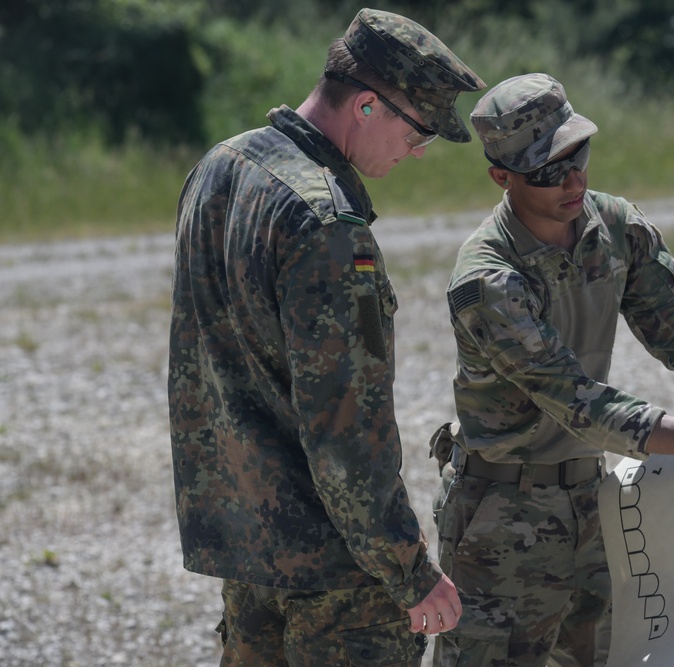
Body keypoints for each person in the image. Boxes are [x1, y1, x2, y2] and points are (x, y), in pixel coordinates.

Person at [429, 73, 674, 667]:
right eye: (548, 171)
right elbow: (580, 403)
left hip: (591, 503)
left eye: (577, 155)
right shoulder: (488, 279)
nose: (573, 180)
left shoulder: (613, 226)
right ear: (501, 178)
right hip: (500, 525)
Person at [167, 9, 485, 666]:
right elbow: (347, 432)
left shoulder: (217, 167)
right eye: (418, 131)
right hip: (335, 575)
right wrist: (409, 570)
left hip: (246, 545)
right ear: (367, 105)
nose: (416, 153)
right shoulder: (328, 224)